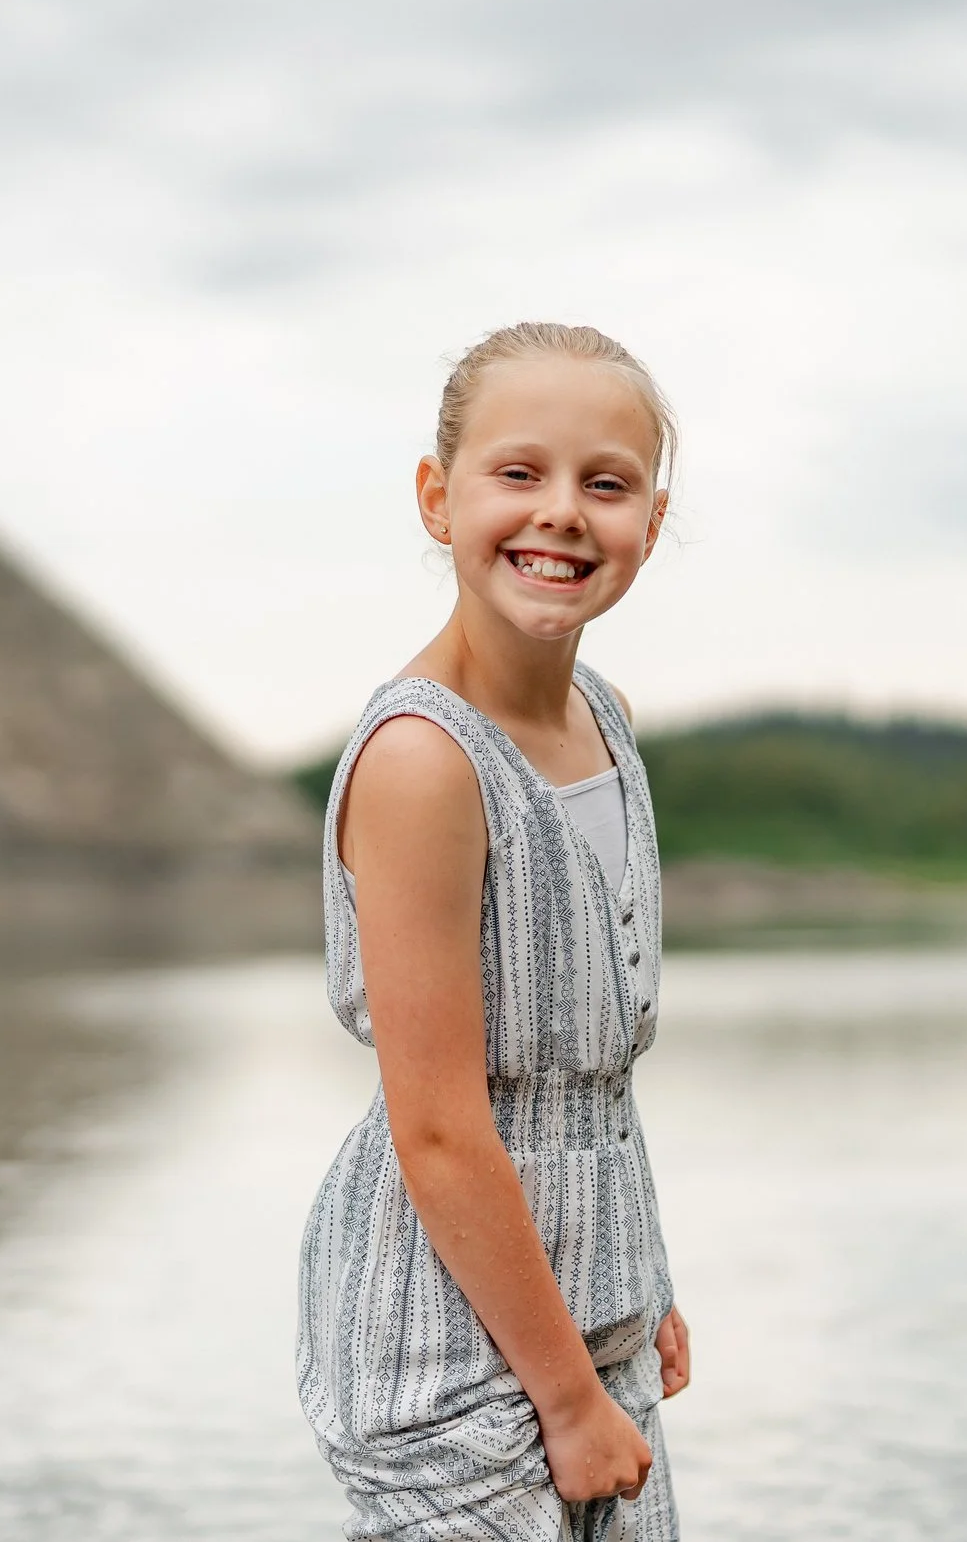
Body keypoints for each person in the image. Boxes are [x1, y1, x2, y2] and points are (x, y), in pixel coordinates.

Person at [298, 323, 691, 1542]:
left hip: (592, 1325)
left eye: (605, 483)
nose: (562, 514)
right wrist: (565, 1399)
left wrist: (647, 1279)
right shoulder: (422, 761)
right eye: (518, 474)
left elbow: (596, 1075)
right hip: (451, 1356)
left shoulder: (606, 719)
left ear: (652, 520)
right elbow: (439, 1122)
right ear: (437, 496)